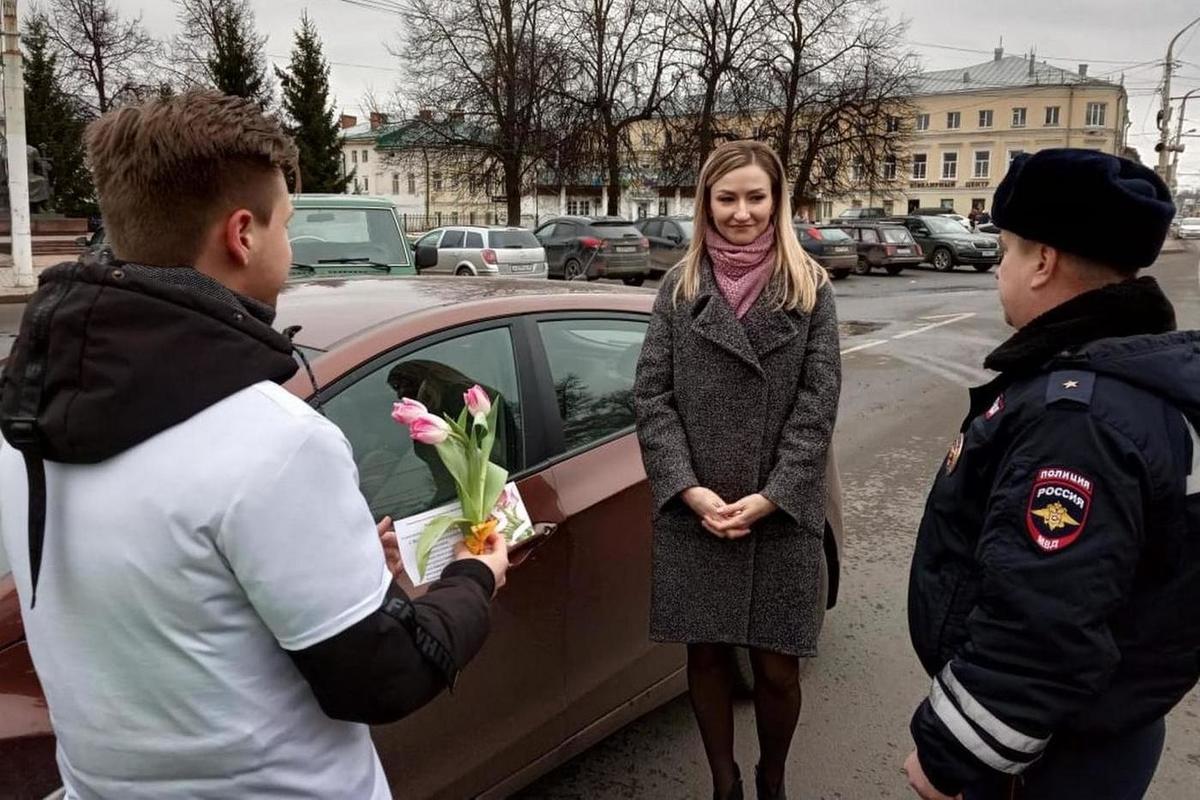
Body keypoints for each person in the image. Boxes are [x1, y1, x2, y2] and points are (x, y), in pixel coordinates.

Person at [0, 90, 508, 799]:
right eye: (288, 226)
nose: (291, 250)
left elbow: (171, 608)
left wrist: (352, 578)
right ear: (242, 234)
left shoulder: (27, 417)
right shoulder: (276, 440)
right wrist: (476, 577)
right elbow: (386, 679)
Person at [903, 148, 1200, 800]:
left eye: (1006, 250)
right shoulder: (1120, 375)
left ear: (1044, 262)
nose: (997, 270)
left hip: (1046, 757)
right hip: (1086, 735)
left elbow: (1042, 624)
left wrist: (950, 753)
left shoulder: (1078, 417)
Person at [634, 140, 841, 800]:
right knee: (708, 656)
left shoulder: (810, 288)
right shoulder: (679, 287)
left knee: (778, 670)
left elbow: (819, 401)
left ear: (776, 201)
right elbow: (652, 396)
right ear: (705, 203)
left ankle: (770, 777)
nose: (742, 212)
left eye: (756, 197)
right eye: (727, 198)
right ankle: (723, 783)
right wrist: (687, 489)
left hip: (779, 513)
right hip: (700, 512)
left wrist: (773, 496)